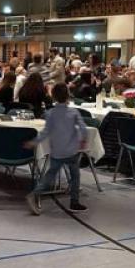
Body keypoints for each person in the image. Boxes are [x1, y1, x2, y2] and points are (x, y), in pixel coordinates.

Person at [24, 83, 87, 214]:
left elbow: (45, 132)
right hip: (71, 151)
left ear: (53, 97)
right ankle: (74, 202)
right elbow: (83, 129)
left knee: (50, 175)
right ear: (68, 96)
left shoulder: (50, 113)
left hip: (56, 151)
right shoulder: (74, 112)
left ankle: (34, 194)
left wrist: (34, 142)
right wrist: (82, 141)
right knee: (75, 176)